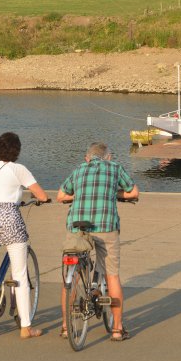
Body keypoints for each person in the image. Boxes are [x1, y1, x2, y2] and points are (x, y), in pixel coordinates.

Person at [57, 142, 140, 342]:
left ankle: (66, 327)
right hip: (106, 226)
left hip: (78, 227)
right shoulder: (115, 167)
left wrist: (78, 195)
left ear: (87, 158)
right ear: (108, 157)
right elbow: (134, 192)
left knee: (71, 276)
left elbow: (61, 196)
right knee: (112, 276)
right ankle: (118, 329)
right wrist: (114, 194)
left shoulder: (78, 169)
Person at [0, 132, 49, 339]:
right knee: (19, 274)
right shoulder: (19, 169)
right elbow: (41, 195)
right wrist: (42, 200)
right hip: (9, 219)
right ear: (17, 150)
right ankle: (26, 327)